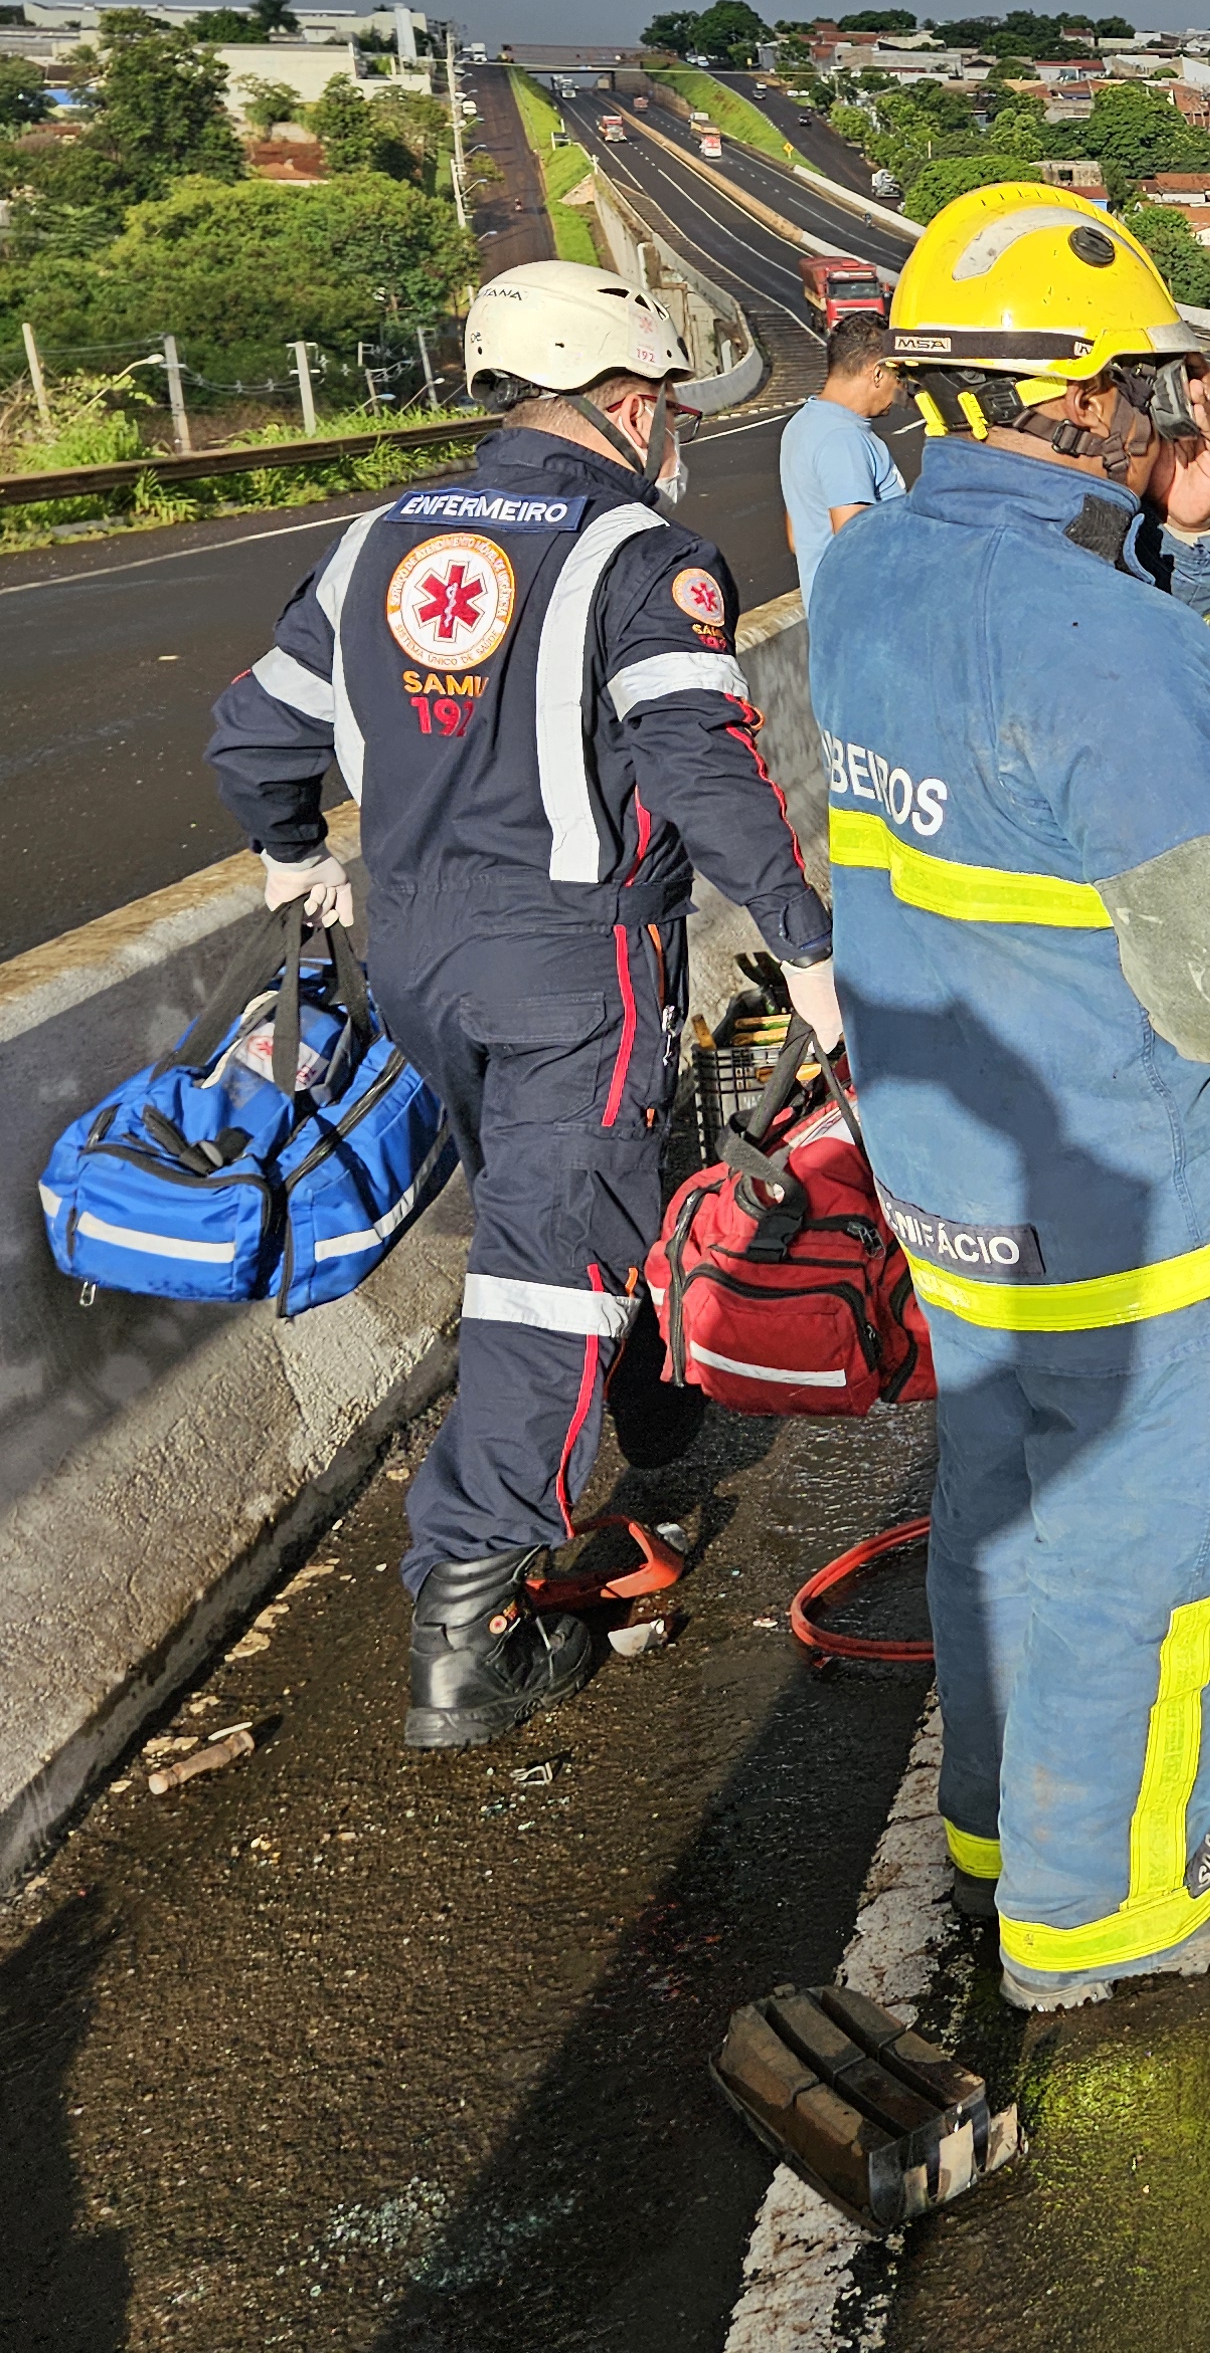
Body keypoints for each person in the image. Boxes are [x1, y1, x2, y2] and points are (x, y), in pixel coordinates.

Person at [810, 182, 1210, 2009]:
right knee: (1149, 1551)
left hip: (947, 1162)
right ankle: (1107, 1910)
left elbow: (1048, 670)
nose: (1178, 410)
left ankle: (999, 1828)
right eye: (1155, 384)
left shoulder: (872, 567)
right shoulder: (1107, 647)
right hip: (1123, 1183)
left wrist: (1205, 538)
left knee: (1004, 1496)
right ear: (1089, 399)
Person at [205, 260, 839, 1748]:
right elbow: (697, 760)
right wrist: (806, 944)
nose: (677, 430)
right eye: (670, 404)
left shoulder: (375, 543)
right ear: (628, 400)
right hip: (575, 956)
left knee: (559, 1202)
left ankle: (646, 1391)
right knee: (551, 1254)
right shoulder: (641, 553)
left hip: (422, 952)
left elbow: (257, 736)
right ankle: (469, 1613)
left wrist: (300, 859)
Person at [778, 311, 904, 573]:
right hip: (863, 610)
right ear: (877, 374)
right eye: (898, 376)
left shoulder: (800, 425)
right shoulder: (844, 439)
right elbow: (858, 548)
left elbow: (797, 538)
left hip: (826, 605)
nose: (900, 387)